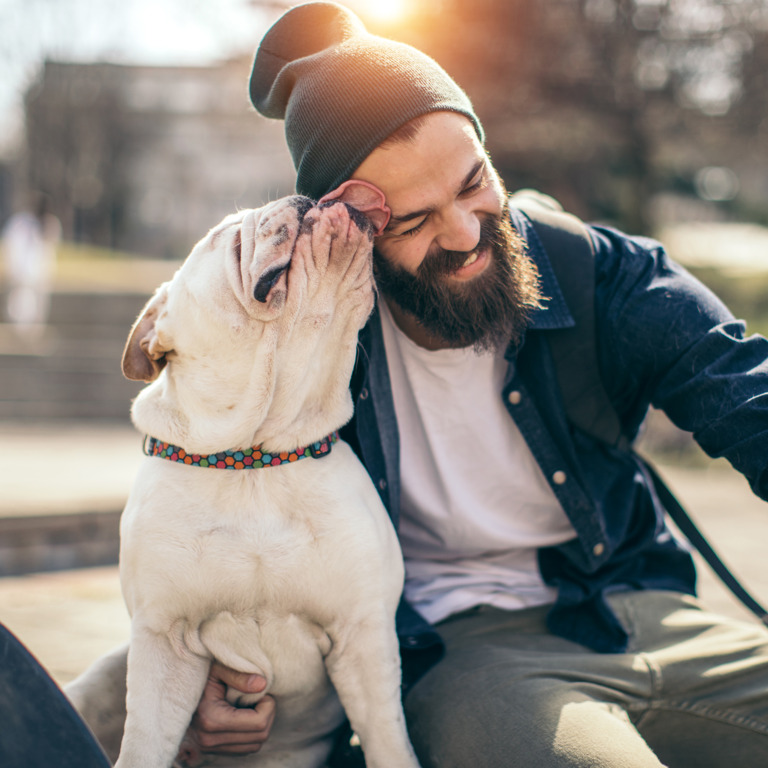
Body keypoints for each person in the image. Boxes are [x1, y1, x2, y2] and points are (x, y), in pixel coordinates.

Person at [66, 3, 768, 767]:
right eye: (415, 220)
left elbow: (745, 393)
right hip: (464, 654)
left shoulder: (597, 271)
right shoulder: (309, 354)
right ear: (351, 229)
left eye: (474, 183)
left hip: (645, 609)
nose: (467, 233)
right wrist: (209, 687)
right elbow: (214, 541)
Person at [1, 192, 60, 337]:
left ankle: (32, 333)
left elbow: (50, 246)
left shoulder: (50, 223)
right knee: (18, 307)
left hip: (39, 275)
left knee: (37, 309)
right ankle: (18, 333)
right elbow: (10, 242)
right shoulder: (21, 222)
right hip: (21, 273)